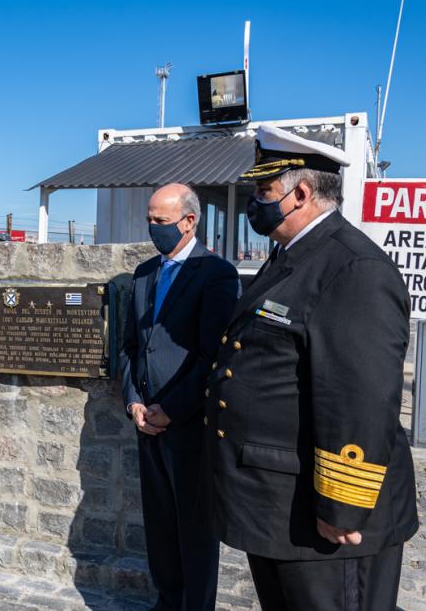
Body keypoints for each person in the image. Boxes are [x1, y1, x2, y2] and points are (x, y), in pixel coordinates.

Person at [202, 125, 418, 609]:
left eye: (264, 191)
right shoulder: (293, 256)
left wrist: (343, 505)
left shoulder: (351, 267)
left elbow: (359, 397)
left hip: (327, 521)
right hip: (282, 508)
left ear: (301, 194)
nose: (256, 202)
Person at [119, 184, 239, 610]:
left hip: (188, 425)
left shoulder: (216, 274)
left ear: (189, 222)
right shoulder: (144, 273)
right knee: (161, 524)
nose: (152, 229)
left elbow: (214, 356)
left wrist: (170, 410)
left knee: (194, 528)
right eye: (149, 220)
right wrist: (134, 400)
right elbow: (131, 346)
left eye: (161, 221)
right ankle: (167, 600)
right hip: (146, 421)